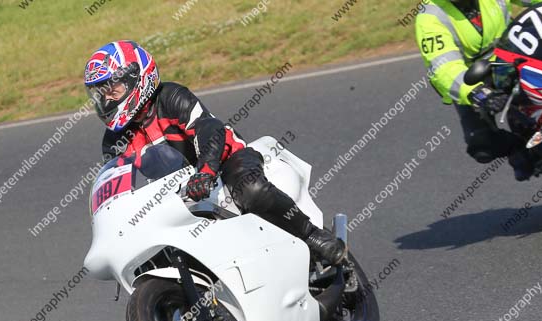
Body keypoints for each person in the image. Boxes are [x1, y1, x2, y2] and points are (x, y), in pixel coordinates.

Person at [83, 40, 346, 265]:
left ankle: (312, 235)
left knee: (250, 189)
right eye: (100, 94)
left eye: (111, 89)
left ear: (136, 80)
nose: (105, 100)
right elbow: (120, 189)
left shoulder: (171, 96)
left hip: (224, 164)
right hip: (176, 198)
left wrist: (205, 172)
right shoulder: (114, 141)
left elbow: (209, 129)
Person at [415, 0, 542, 180]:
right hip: (475, 79)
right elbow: (444, 68)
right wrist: (479, 93)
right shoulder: (429, 17)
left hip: (516, 55)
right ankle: (519, 148)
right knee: (482, 144)